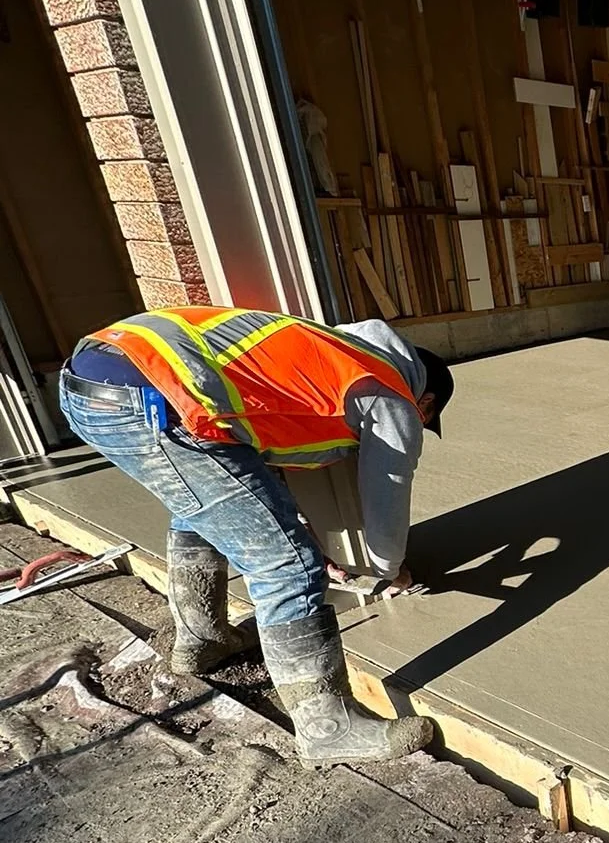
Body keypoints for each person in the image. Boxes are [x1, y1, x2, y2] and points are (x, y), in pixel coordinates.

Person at [58, 305, 454, 766]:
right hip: (151, 400)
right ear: (424, 404)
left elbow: (266, 462)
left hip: (97, 375)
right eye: (427, 419)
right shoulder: (390, 400)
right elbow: (387, 499)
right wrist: (386, 570)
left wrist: (297, 522)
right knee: (289, 565)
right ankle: (327, 729)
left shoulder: (336, 350)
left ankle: (202, 640)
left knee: (202, 506)